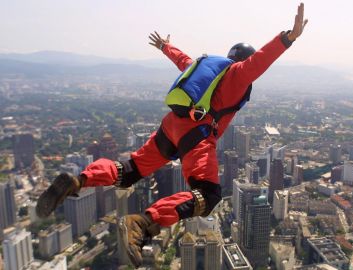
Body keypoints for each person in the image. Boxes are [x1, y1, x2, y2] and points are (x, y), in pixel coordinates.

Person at [36, 3, 307, 267]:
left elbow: (183, 61)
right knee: (208, 196)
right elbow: (260, 61)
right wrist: (288, 38)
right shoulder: (238, 74)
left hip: (172, 124)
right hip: (197, 133)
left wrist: (166, 46)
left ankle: (77, 180)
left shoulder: (209, 69)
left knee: (130, 169)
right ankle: (142, 222)